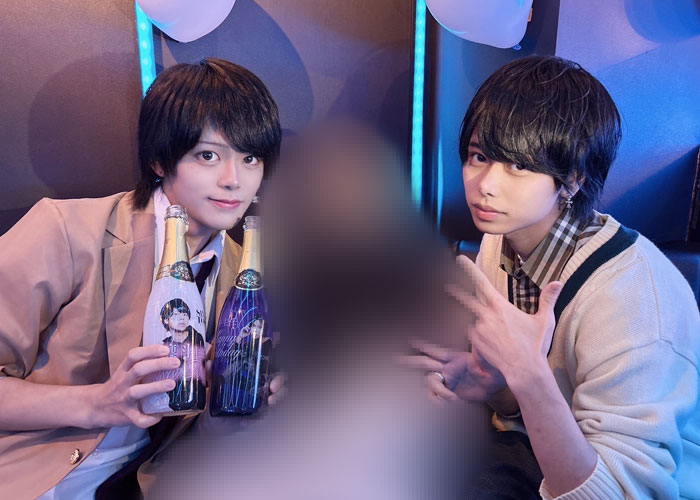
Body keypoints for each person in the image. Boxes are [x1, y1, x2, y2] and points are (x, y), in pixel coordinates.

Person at [407, 56, 700, 499]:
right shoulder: (498, 241)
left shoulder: (634, 298)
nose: (486, 184)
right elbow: (530, 415)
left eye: (519, 166)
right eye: (480, 156)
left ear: (573, 179)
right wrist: (501, 388)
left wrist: (527, 375)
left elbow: (624, 492)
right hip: (535, 458)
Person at [0, 57, 284, 499]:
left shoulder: (240, 275)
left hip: (143, 483)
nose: (234, 180)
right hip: (30, 475)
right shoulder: (67, 231)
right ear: (158, 160)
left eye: (250, 158)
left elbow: (188, 435)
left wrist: (232, 405)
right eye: (208, 155)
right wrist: (98, 403)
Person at [156, 299, 207, 412]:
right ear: (166, 320)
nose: (182, 318)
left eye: (184, 314)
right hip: (170, 403)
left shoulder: (196, 338)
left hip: (195, 401)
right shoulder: (165, 345)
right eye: (175, 315)